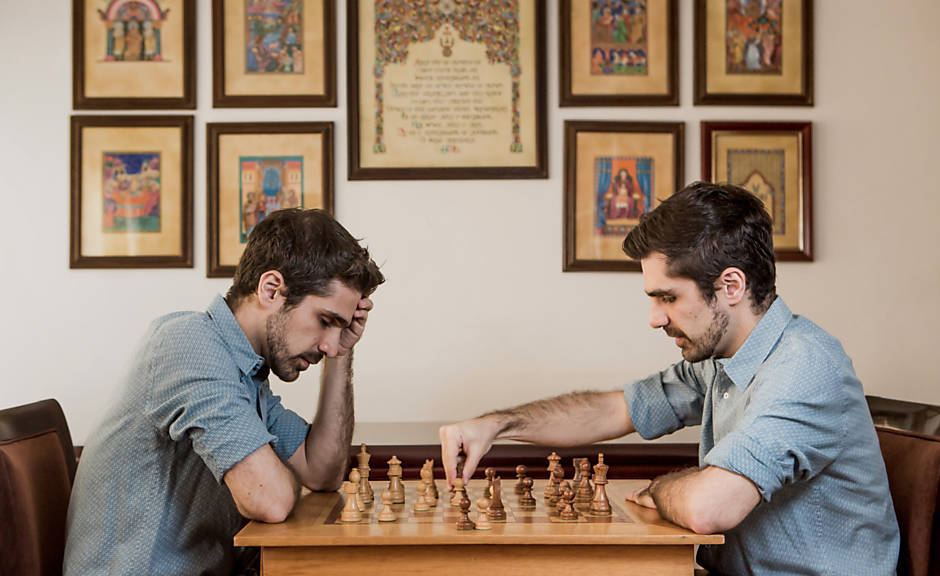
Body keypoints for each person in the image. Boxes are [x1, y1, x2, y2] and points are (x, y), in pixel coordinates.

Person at [439, 183, 900, 575]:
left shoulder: (805, 366)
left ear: (732, 287)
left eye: (668, 297)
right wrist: (499, 424)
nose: (655, 318)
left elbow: (707, 508)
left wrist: (659, 491)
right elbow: (615, 409)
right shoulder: (720, 359)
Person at [64, 209, 385, 575]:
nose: (328, 344)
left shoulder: (246, 372)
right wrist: (278, 478)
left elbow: (322, 471)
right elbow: (269, 499)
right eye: (325, 321)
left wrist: (343, 352)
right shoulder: (188, 344)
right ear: (271, 290)